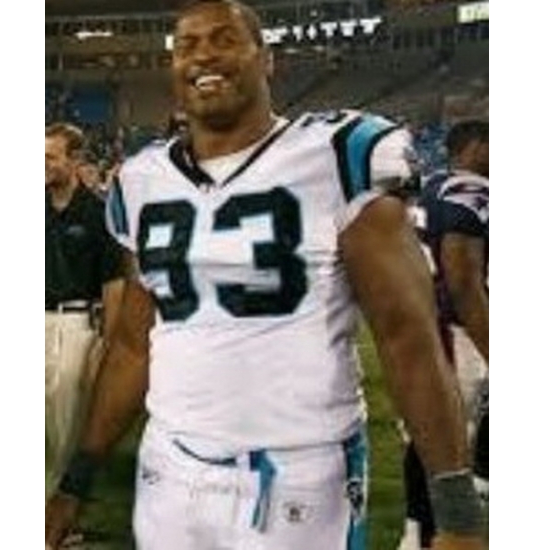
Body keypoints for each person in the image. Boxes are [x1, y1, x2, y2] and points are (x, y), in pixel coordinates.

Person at [45, 3, 486, 549]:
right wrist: (76, 480)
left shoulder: (339, 155)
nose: (204, 55)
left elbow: (407, 337)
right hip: (169, 467)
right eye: (187, 45)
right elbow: (135, 345)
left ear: (266, 58)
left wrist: (457, 512)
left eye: (224, 39)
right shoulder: (140, 180)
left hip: (302, 471)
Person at [398, 120, 489, 550]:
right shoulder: (471, 191)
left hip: (425, 323)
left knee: (430, 433)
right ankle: (432, 531)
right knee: (450, 439)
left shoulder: (432, 185)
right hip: (459, 330)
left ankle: (419, 528)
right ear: (476, 147)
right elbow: (462, 279)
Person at [45, 122, 125, 504]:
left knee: (66, 422)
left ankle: (56, 505)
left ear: (75, 160)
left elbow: (114, 286)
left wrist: (106, 346)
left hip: (76, 323)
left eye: (50, 157)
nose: (42, 165)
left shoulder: (98, 213)